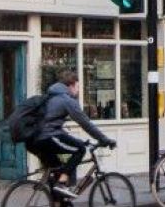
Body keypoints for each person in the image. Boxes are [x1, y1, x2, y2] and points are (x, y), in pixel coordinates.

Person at [26, 69, 116, 199]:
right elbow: (86, 123)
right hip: (47, 137)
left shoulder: (51, 96)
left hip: (34, 140)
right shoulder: (66, 100)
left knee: (57, 170)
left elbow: (52, 124)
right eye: (78, 86)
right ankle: (62, 183)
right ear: (71, 85)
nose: (79, 90)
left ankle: (57, 204)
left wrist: (77, 139)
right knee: (80, 149)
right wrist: (105, 139)